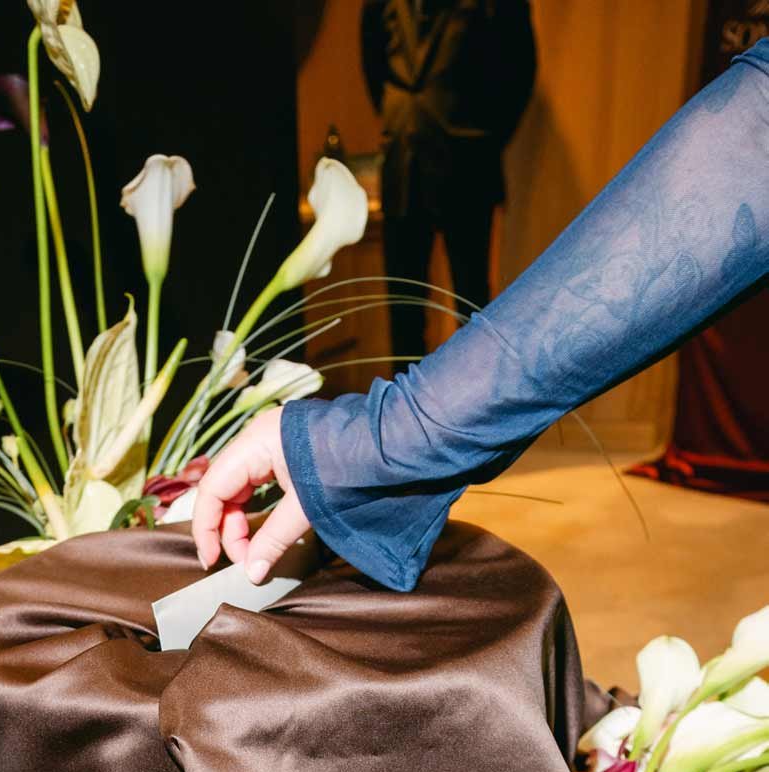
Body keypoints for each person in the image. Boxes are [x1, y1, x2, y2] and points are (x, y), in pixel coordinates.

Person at [193, 37, 769, 592]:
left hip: (465, 156)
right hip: (408, 158)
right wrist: (378, 437)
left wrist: (377, 436)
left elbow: (747, 152)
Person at [361, 0, 536, 358]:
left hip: (467, 164)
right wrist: (400, 118)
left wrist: (482, 138)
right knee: (402, 302)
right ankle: (404, 408)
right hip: (403, 164)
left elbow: (519, 70)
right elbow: (372, 62)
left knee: (470, 300)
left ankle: (474, 403)